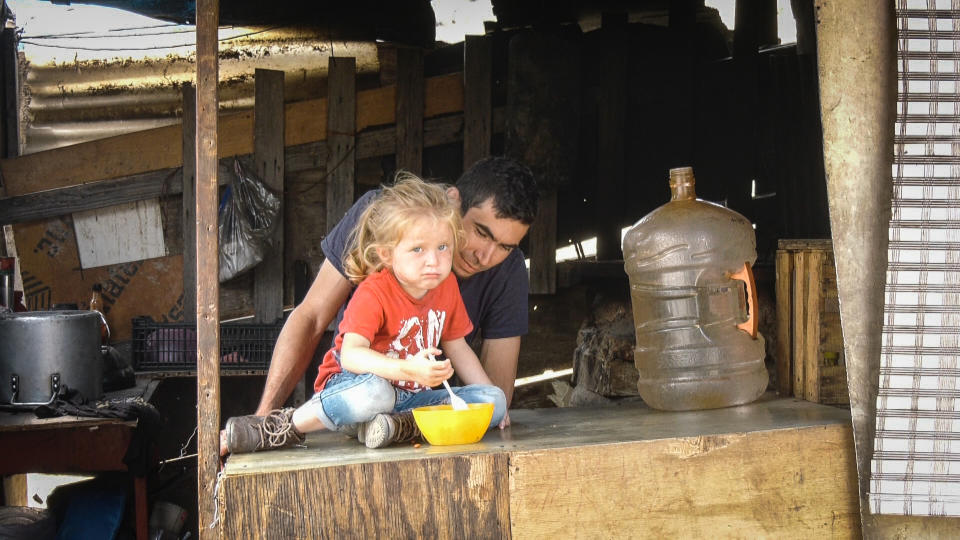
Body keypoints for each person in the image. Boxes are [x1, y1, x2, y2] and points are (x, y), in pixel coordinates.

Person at [221, 156, 537, 455]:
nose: (485, 256)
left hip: (413, 399)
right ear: (453, 202)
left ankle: (397, 427)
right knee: (375, 393)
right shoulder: (384, 224)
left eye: (505, 247)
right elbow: (314, 317)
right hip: (361, 387)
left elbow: (474, 363)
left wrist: (494, 408)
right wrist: (263, 420)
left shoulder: (478, 278)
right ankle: (285, 426)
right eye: (481, 232)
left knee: (492, 400)